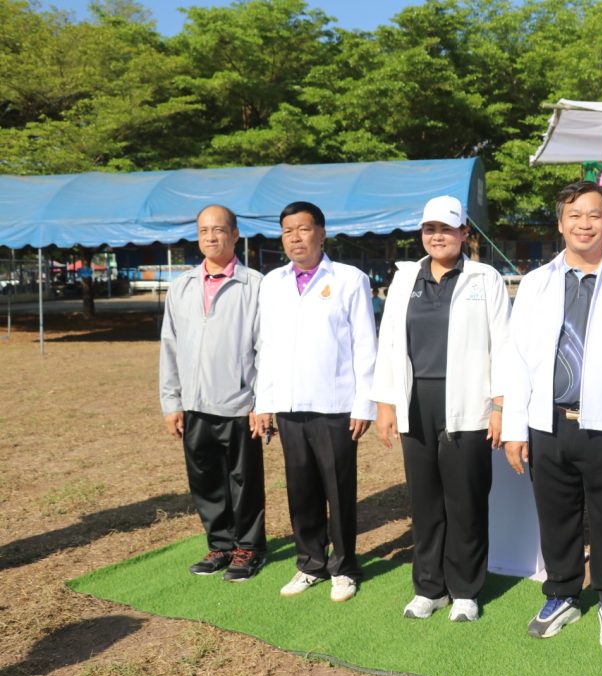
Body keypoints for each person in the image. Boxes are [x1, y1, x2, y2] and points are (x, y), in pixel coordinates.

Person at [503, 180, 602, 650]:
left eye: (594, 215)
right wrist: (515, 427)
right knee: (557, 517)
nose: (584, 224)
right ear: (560, 223)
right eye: (574, 215)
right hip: (548, 423)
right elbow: (518, 359)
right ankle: (562, 593)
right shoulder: (536, 283)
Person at [371, 196, 510, 622]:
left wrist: (500, 405)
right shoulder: (405, 278)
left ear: (464, 233)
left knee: (465, 501)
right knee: (425, 500)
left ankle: (465, 590)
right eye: (430, 229)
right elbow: (389, 341)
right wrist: (385, 402)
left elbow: (503, 344)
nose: (437, 236)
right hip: (416, 401)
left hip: (468, 403)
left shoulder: (485, 278)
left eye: (446, 229)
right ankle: (429, 588)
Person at [254, 201, 377, 603]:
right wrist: (263, 402)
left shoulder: (348, 279)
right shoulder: (272, 282)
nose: (295, 238)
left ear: (321, 234)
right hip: (289, 406)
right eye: (287, 231)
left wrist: (364, 404)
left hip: (335, 405)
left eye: (303, 229)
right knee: (300, 488)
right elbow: (267, 346)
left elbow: (365, 344)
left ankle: (344, 567)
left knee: (338, 489)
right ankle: (310, 563)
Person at [159, 205, 266, 582]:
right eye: (204, 230)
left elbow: (265, 347)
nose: (210, 237)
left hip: (239, 405)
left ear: (235, 235)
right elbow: (169, 346)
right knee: (205, 480)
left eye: (219, 230)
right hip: (194, 404)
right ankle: (220, 544)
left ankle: (249, 548)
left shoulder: (254, 285)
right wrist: (172, 401)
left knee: (244, 481)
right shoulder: (182, 286)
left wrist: (261, 402)